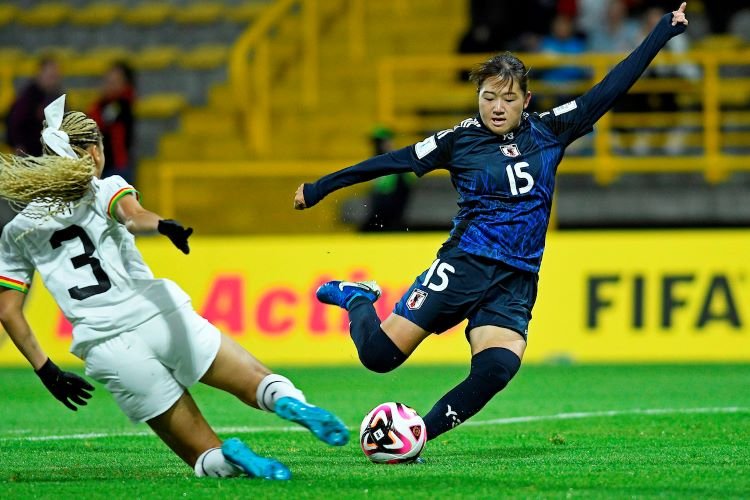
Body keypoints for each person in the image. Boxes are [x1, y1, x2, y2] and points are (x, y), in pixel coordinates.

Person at [294, 4, 690, 442]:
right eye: (488, 96)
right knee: (378, 357)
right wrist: (321, 188)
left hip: (517, 277)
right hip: (465, 264)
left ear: (526, 100)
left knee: (497, 368)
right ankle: (357, 299)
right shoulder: (458, 141)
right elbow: (392, 161)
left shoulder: (550, 131)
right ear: (478, 96)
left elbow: (612, 85)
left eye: (507, 98)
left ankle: (416, 435)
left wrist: (662, 32)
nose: (497, 107)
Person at [0, 95, 348, 480]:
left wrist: (47, 370)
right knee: (256, 380)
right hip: (159, 314)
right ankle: (289, 402)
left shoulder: (18, 230)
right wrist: (163, 225)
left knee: (201, 456)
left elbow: (7, 311)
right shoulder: (104, 189)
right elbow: (134, 217)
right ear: (93, 151)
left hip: (107, 345)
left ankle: (228, 457)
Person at [88, 61, 136, 184]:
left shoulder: (122, 104)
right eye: (108, 81)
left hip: (118, 165)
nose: (109, 85)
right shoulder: (102, 104)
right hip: (103, 165)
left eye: (114, 81)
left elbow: (99, 123)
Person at [5, 56, 63, 157]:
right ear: (40, 74)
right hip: (30, 154)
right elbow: (14, 123)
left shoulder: (57, 96)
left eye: (55, 76)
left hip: (48, 155)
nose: (53, 79)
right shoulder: (28, 97)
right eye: (50, 75)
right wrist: (18, 145)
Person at [359, 126, 413, 232]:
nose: (377, 146)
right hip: (381, 214)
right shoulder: (375, 162)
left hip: (393, 214)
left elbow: (403, 187)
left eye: (380, 142)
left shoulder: (397, 161)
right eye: (376, 143)